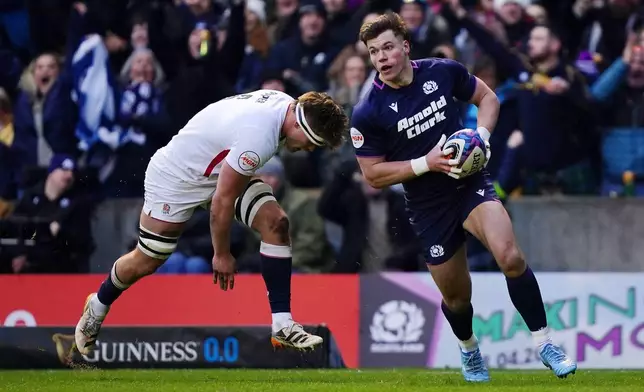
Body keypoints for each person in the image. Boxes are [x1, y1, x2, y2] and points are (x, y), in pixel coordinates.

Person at [350, 12, 576, 382]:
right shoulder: (367, 111)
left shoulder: (442, 71)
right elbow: (373, 174)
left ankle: (545, 343)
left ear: (405, 47)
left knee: (510, 256)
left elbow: (488, 99)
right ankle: (470, 350)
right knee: (457, 297)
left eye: (388, 47)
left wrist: (482, 138)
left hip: (468, 184)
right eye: (374, 52)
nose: (382, 58)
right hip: (427, 205)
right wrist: (427, 162)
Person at [74, 89, 348, 355]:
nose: (310, 149)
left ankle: (282, 324)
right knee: (149, 258)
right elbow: (221, 202)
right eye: (314, 142)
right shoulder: (260, 136)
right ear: (300, 125)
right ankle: (97, 306)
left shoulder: (285, 106)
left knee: (276, 223)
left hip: (218, 170)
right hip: (177, 177)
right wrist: (221, 254)